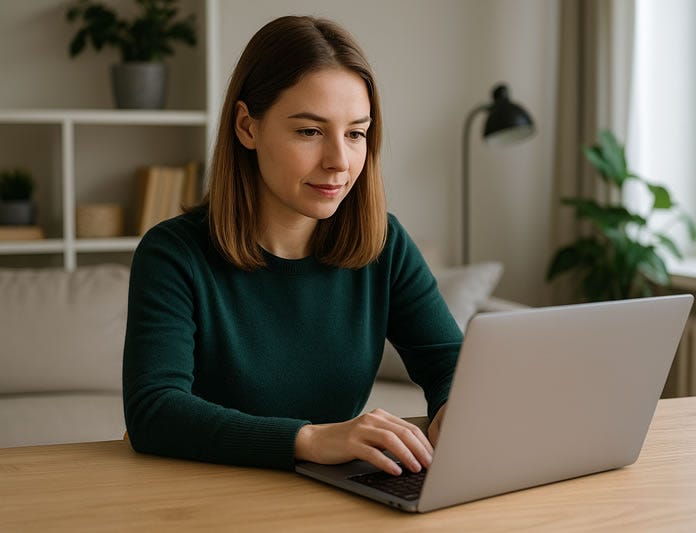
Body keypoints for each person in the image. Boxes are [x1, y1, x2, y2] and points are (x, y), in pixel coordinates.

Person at [122, 15, 462, 477]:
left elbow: (448, 361)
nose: (339, 162)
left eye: (356, 133)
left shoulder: (385, 242)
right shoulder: (173, 254)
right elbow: (154, 411)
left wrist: (454, 408)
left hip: (333, 497)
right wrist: (311, 439)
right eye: (309, 131)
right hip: (205, 497)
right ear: (247, 127)